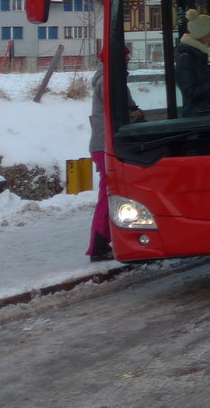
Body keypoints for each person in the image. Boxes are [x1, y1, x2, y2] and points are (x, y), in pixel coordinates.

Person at [87, 46, 141, 262]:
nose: (128, 58)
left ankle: (105, 241)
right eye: (125, 54)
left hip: (106, 144)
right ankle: (98, 246)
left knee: (111, 194)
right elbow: (117, 110)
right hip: (105, 146)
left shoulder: (112, 78)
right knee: (107, 196)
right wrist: (133, 114)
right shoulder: (107, 81)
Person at [174, 10, 210, 117]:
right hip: (199, 121)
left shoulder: (206, 56)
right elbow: (191, 94)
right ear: (202, 36)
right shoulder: (186, 59)